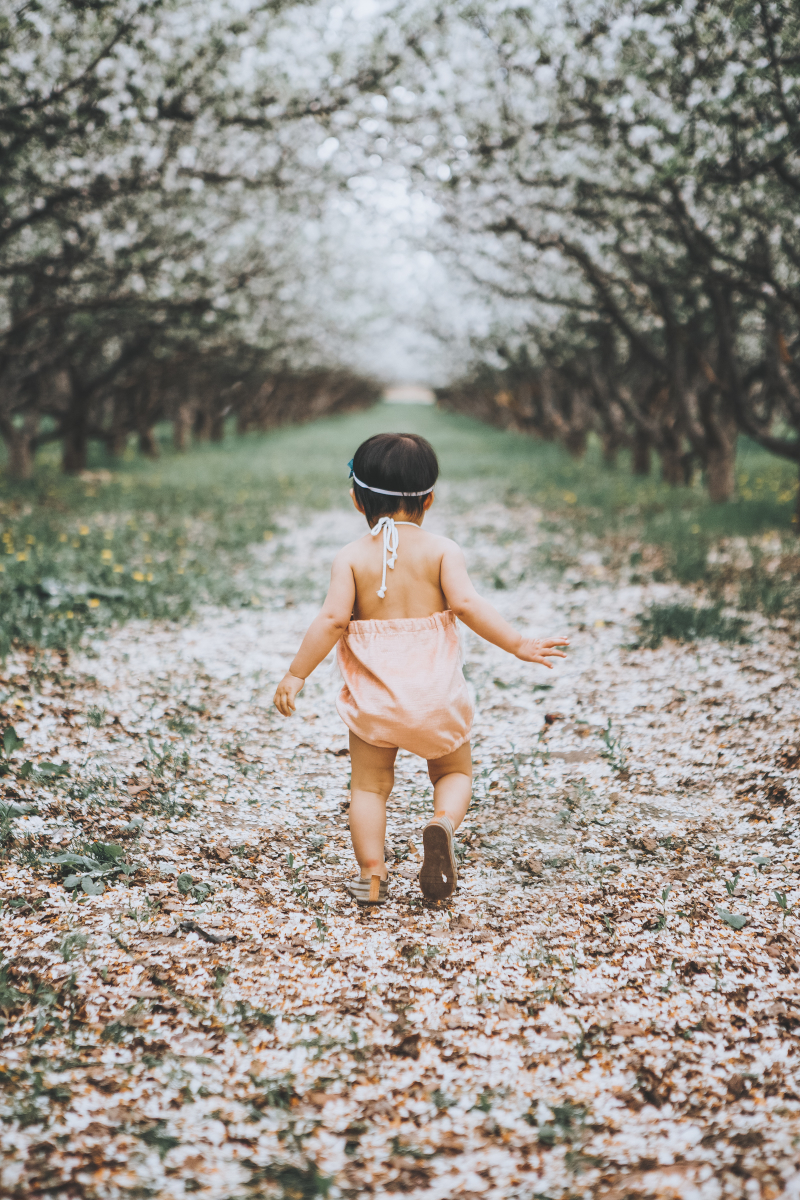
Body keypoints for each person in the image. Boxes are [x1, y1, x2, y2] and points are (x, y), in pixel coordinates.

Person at [273, 432, 568, 903]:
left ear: (356, 499)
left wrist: (296, 673)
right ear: (429, 499)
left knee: (369, 788)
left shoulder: (351, 558)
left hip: (376, 701)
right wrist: (518, 644)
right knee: (454, 773)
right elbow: (468, 605)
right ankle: (442, 823)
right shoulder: (442, 551)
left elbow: (331, 620)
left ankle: (372, 874)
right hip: (436, 697)